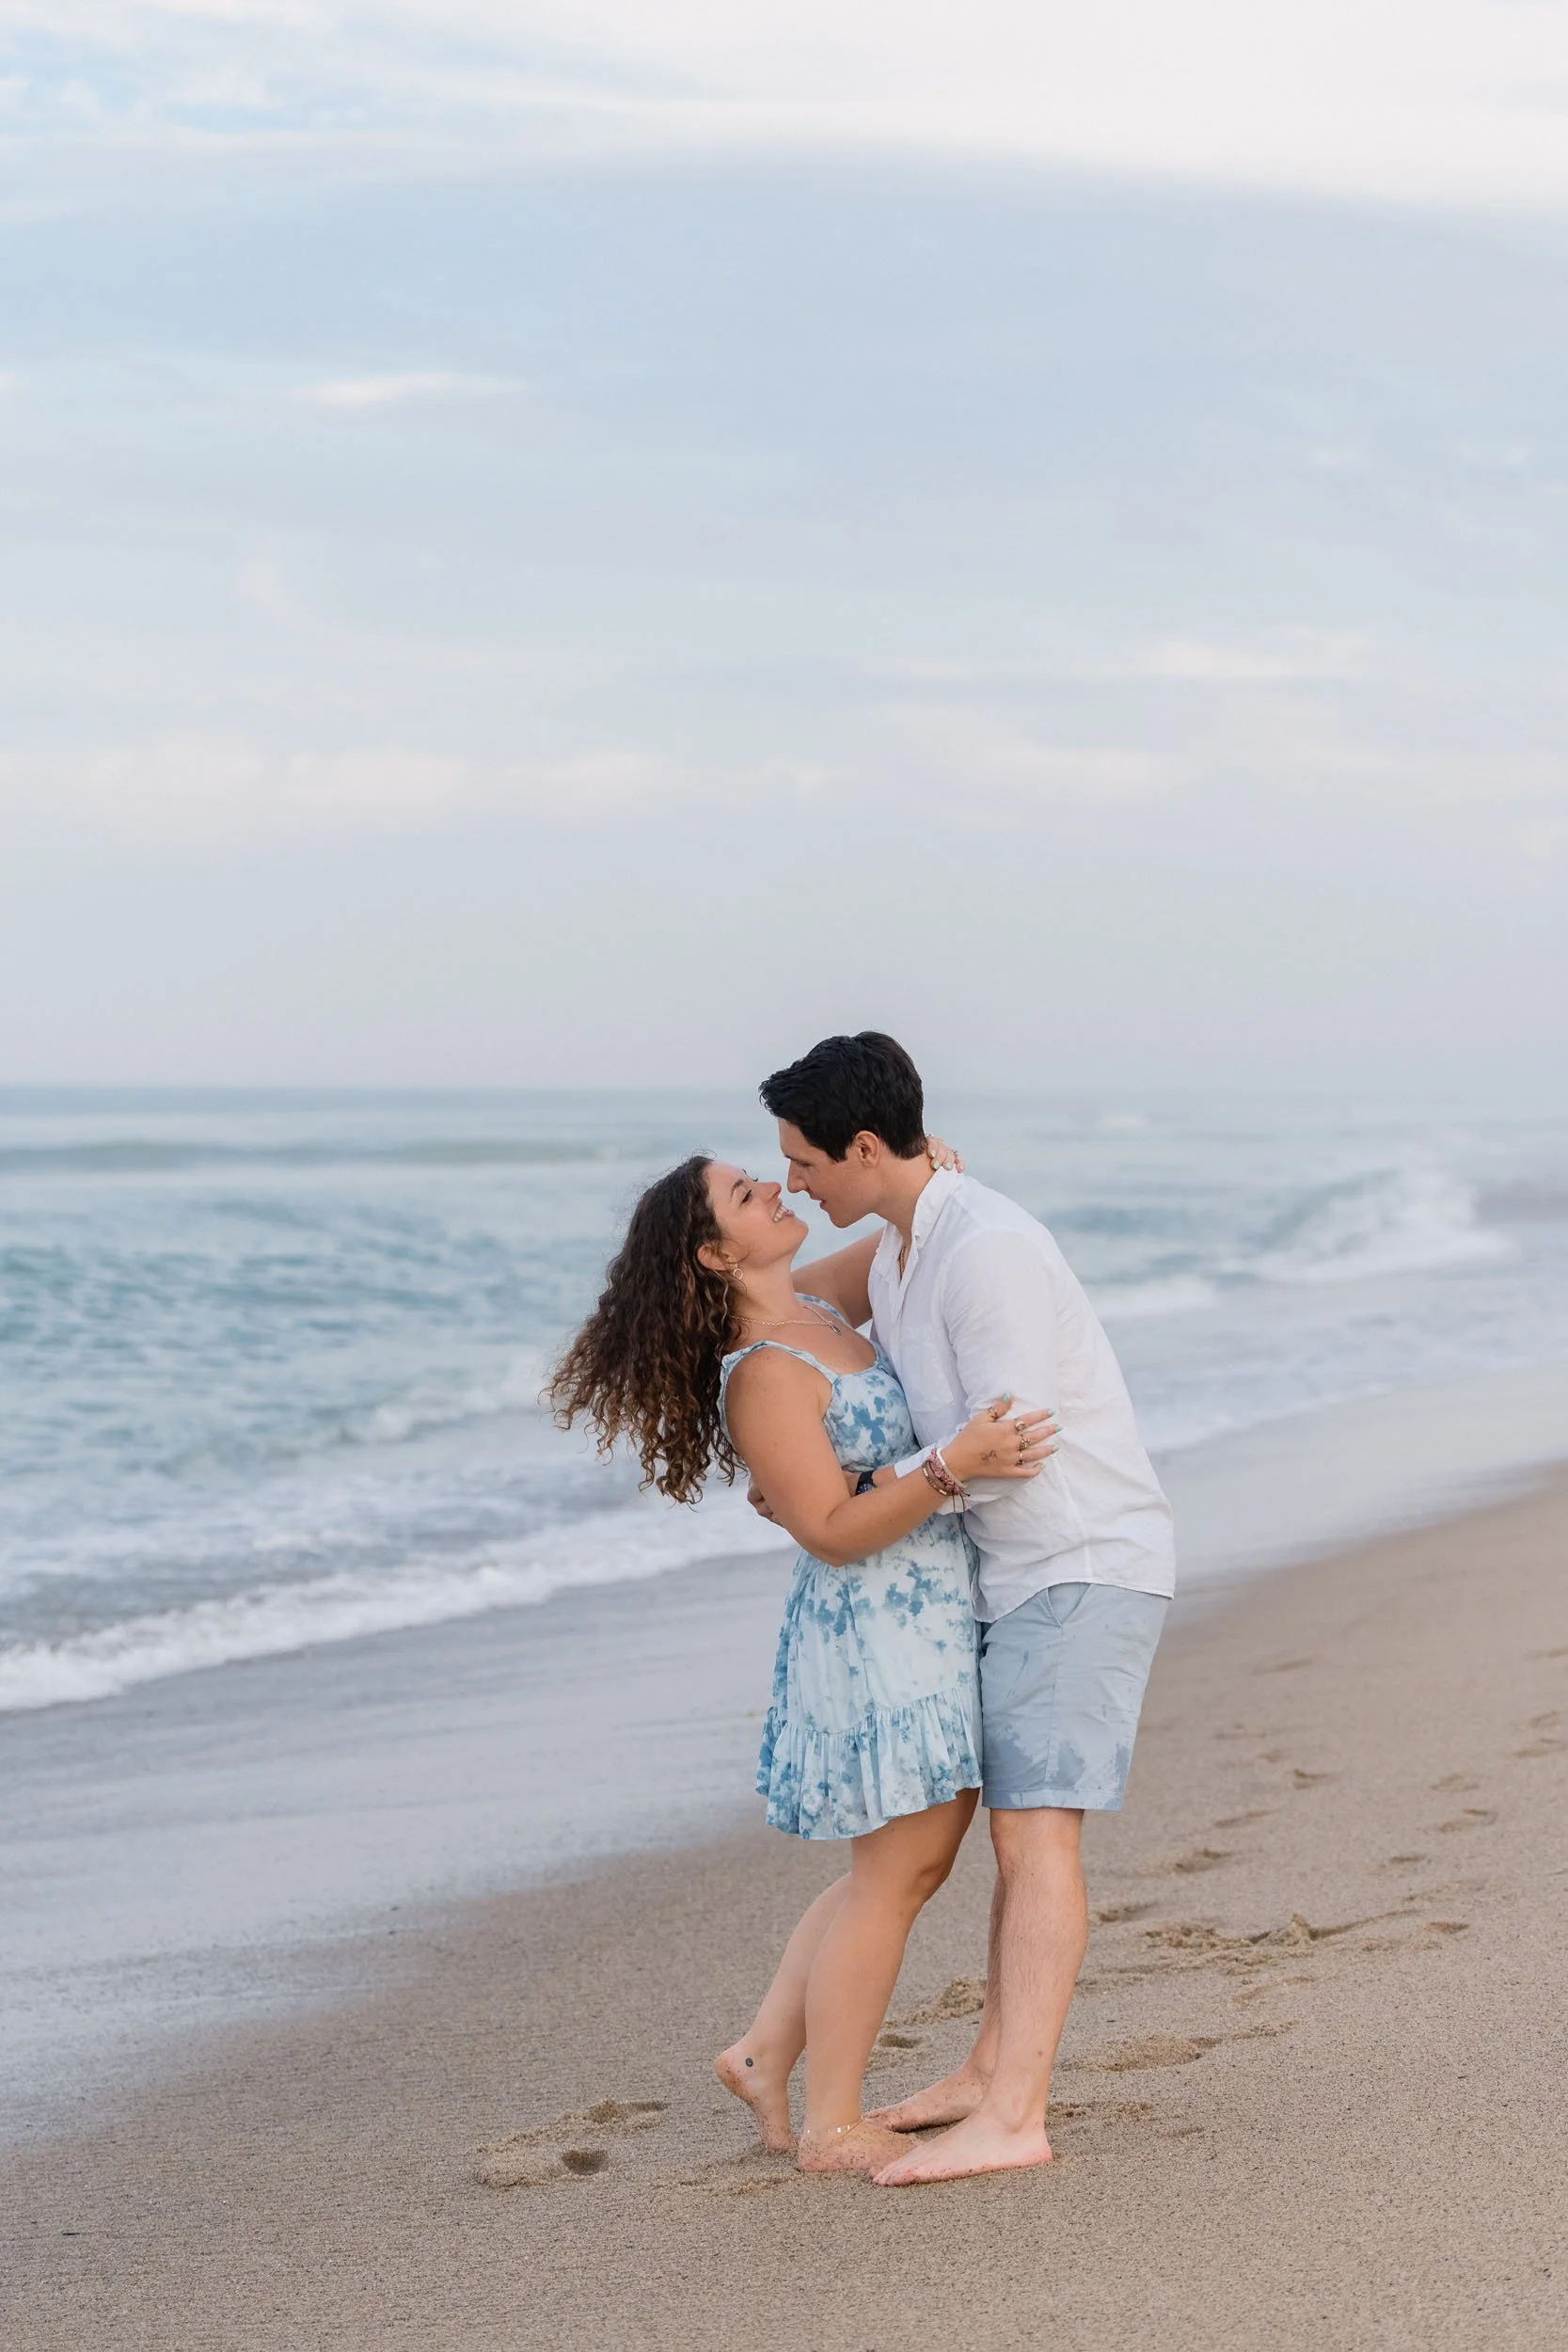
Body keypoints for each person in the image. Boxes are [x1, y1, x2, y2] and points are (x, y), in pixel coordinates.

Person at [548, 1151, 1055, 2173]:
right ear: (713, 1253)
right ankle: (830, 2120)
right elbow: (824, 1525)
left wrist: (922, 1167)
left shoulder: (818, 1309)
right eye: (748, 1194)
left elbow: (905, 1239)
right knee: (895, 1872)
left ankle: (763, 2048)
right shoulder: (769, 1373)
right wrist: (952, 1465)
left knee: (897, 1864)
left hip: (925, 1614)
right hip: (872, 1629)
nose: (774, 1191)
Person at [752, 1032, 1176, 2185]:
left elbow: (1014, 1434)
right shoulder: (902, 1247)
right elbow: (784, 1330)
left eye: (802, 1161)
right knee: (1012, 1835)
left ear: (863, 1146)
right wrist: (798, 1472)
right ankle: (988, 2076)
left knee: (1034, 1835)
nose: (794, 1181)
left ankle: (1016, 2113)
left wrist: (882, 1487)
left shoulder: (980, 1246)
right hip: (1009, 1577)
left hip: (1075, 1562)